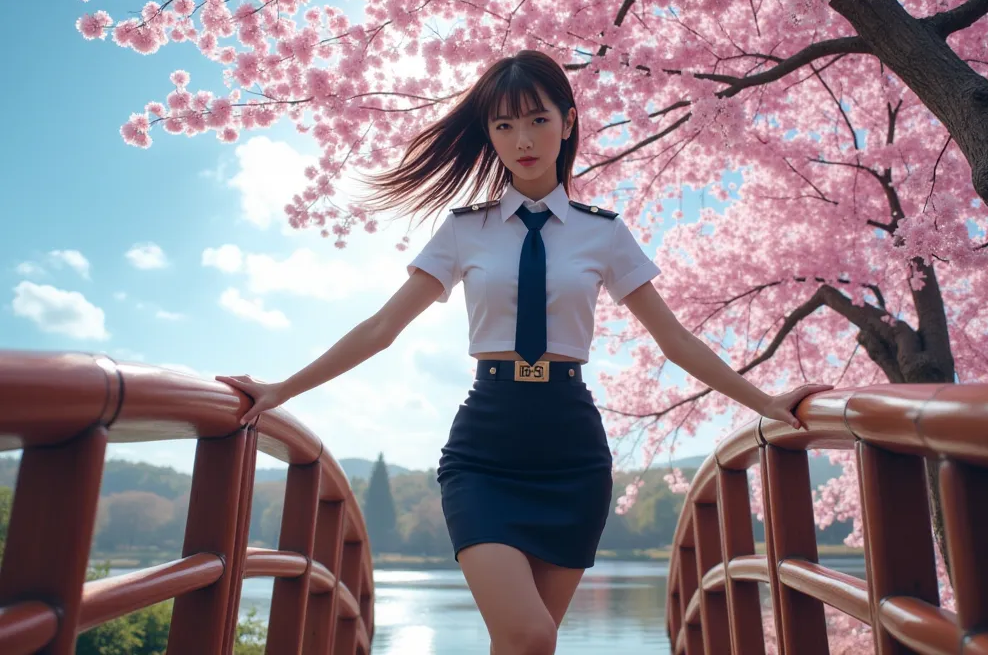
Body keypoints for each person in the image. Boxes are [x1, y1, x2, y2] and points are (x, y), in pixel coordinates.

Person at [216, 49, 831, 655]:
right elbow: (382, 328)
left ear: (567, 121)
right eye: (503, 125)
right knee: (529, 635)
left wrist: (767, 401)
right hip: (487, 445)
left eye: (537, 120)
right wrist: (280, 390)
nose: (522, 139)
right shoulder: (465, 230)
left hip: (571, 450)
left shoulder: (603, 232)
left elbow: (673, 339)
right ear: (489, 135)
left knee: (527, 645)